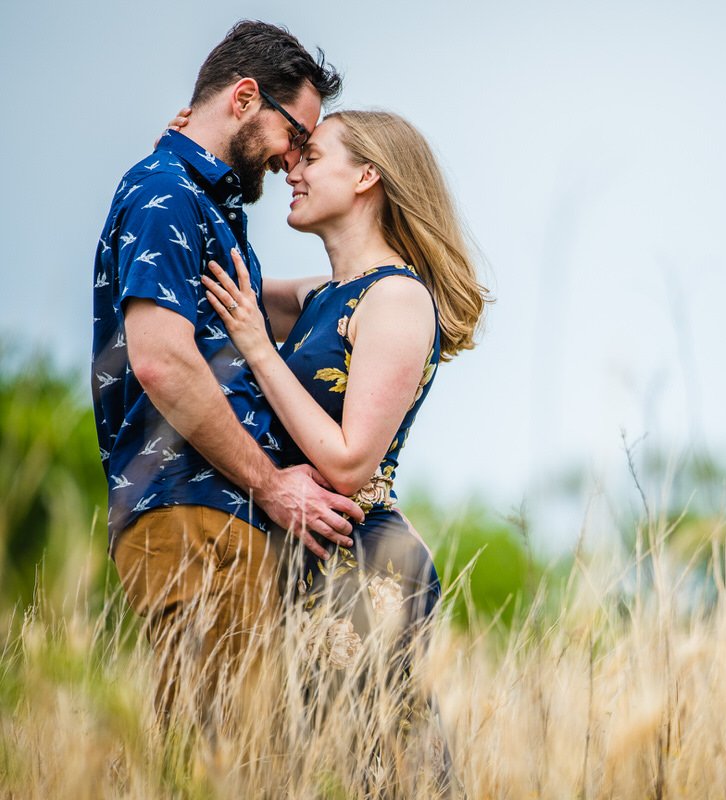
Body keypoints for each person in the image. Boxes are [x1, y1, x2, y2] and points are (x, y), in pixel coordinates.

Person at [200, 109, 487, 791]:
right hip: (308, 554)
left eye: (311, 156)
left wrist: (257, 349)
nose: (291, 171)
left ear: (367, 176)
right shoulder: (322, 297)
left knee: (373, 768)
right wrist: (193, 156)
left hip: (364, 559)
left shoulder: (397, 299)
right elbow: (203, 281)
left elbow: (350, 459)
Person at [91, 20, 363, 714]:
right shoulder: (167, 193)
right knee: (216, 762)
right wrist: (272, 486)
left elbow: (242, 318)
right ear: (244, 98)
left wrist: (374, 286)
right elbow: (161, 363)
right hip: (190, 512)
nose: (294, 161)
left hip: (219, 515)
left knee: (243, 755)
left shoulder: (201, 200)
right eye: (295, 137)